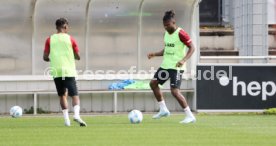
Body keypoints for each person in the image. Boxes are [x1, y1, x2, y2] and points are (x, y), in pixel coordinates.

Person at [148, 10, 196, 124]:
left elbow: (192, 48)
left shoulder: (181, 33)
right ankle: (163, 109)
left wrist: (183, 60)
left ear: (174, 22)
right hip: (166, 66)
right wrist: (155, 54)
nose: (166, 27)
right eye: (164, 26)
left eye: (168, 25)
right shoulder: (165, 34)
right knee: (153, 83)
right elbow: (167, 50)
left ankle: (190, 116)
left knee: (174, 91)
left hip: (176, 67)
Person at [43, 18, 87, 127]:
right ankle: (76, 115)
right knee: (74, 95)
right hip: (68, 71)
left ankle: (66, 120)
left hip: (57, 72)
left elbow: (45, 57)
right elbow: (78, 56)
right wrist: (72, 56)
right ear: (65, 27)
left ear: (56, 27)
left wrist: (52, 59)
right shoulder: (70, 39)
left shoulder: (50, 39)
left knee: (62, 95)